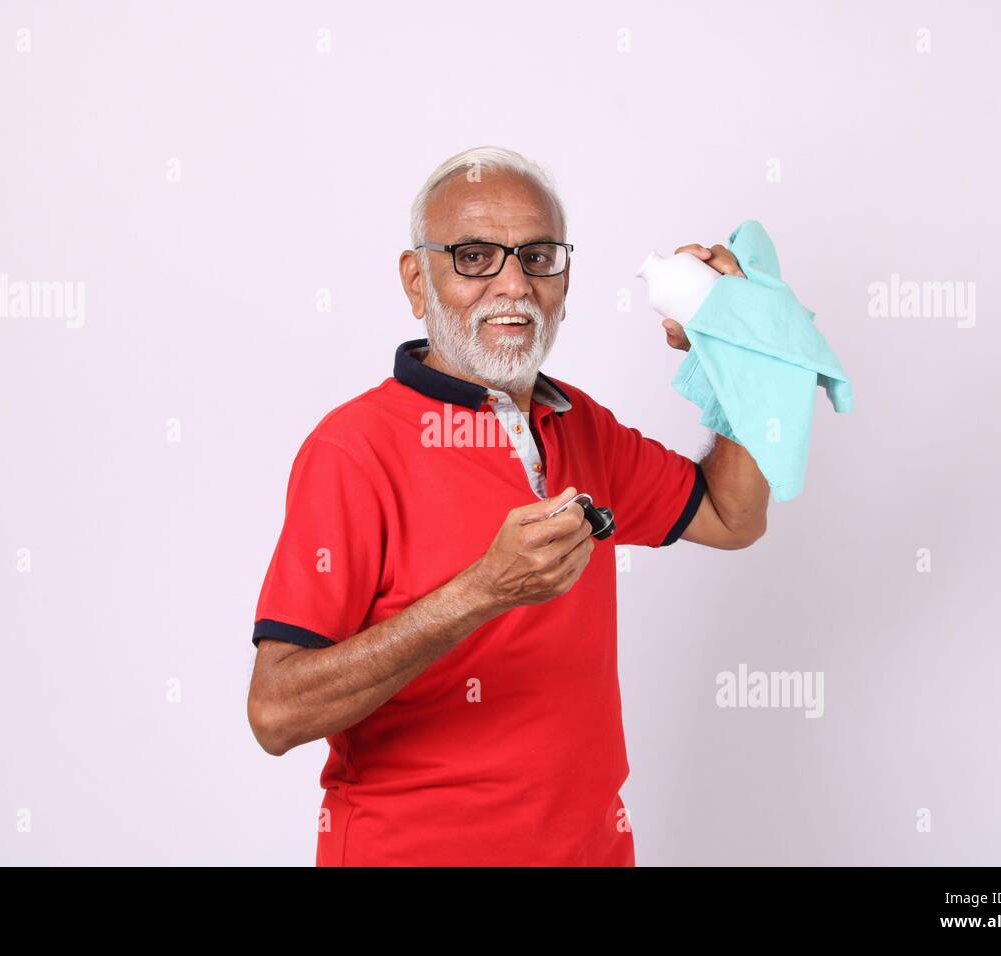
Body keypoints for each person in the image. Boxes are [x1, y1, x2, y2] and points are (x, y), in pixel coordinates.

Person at [246, 145, 770, 865]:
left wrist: (732, 353)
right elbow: (275, 712)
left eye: (538, 256)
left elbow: (734, 516)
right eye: (472, 257)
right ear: (416, 280)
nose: (513, 285)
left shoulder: (580, 423)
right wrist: (481, 592)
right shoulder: (352, 450)